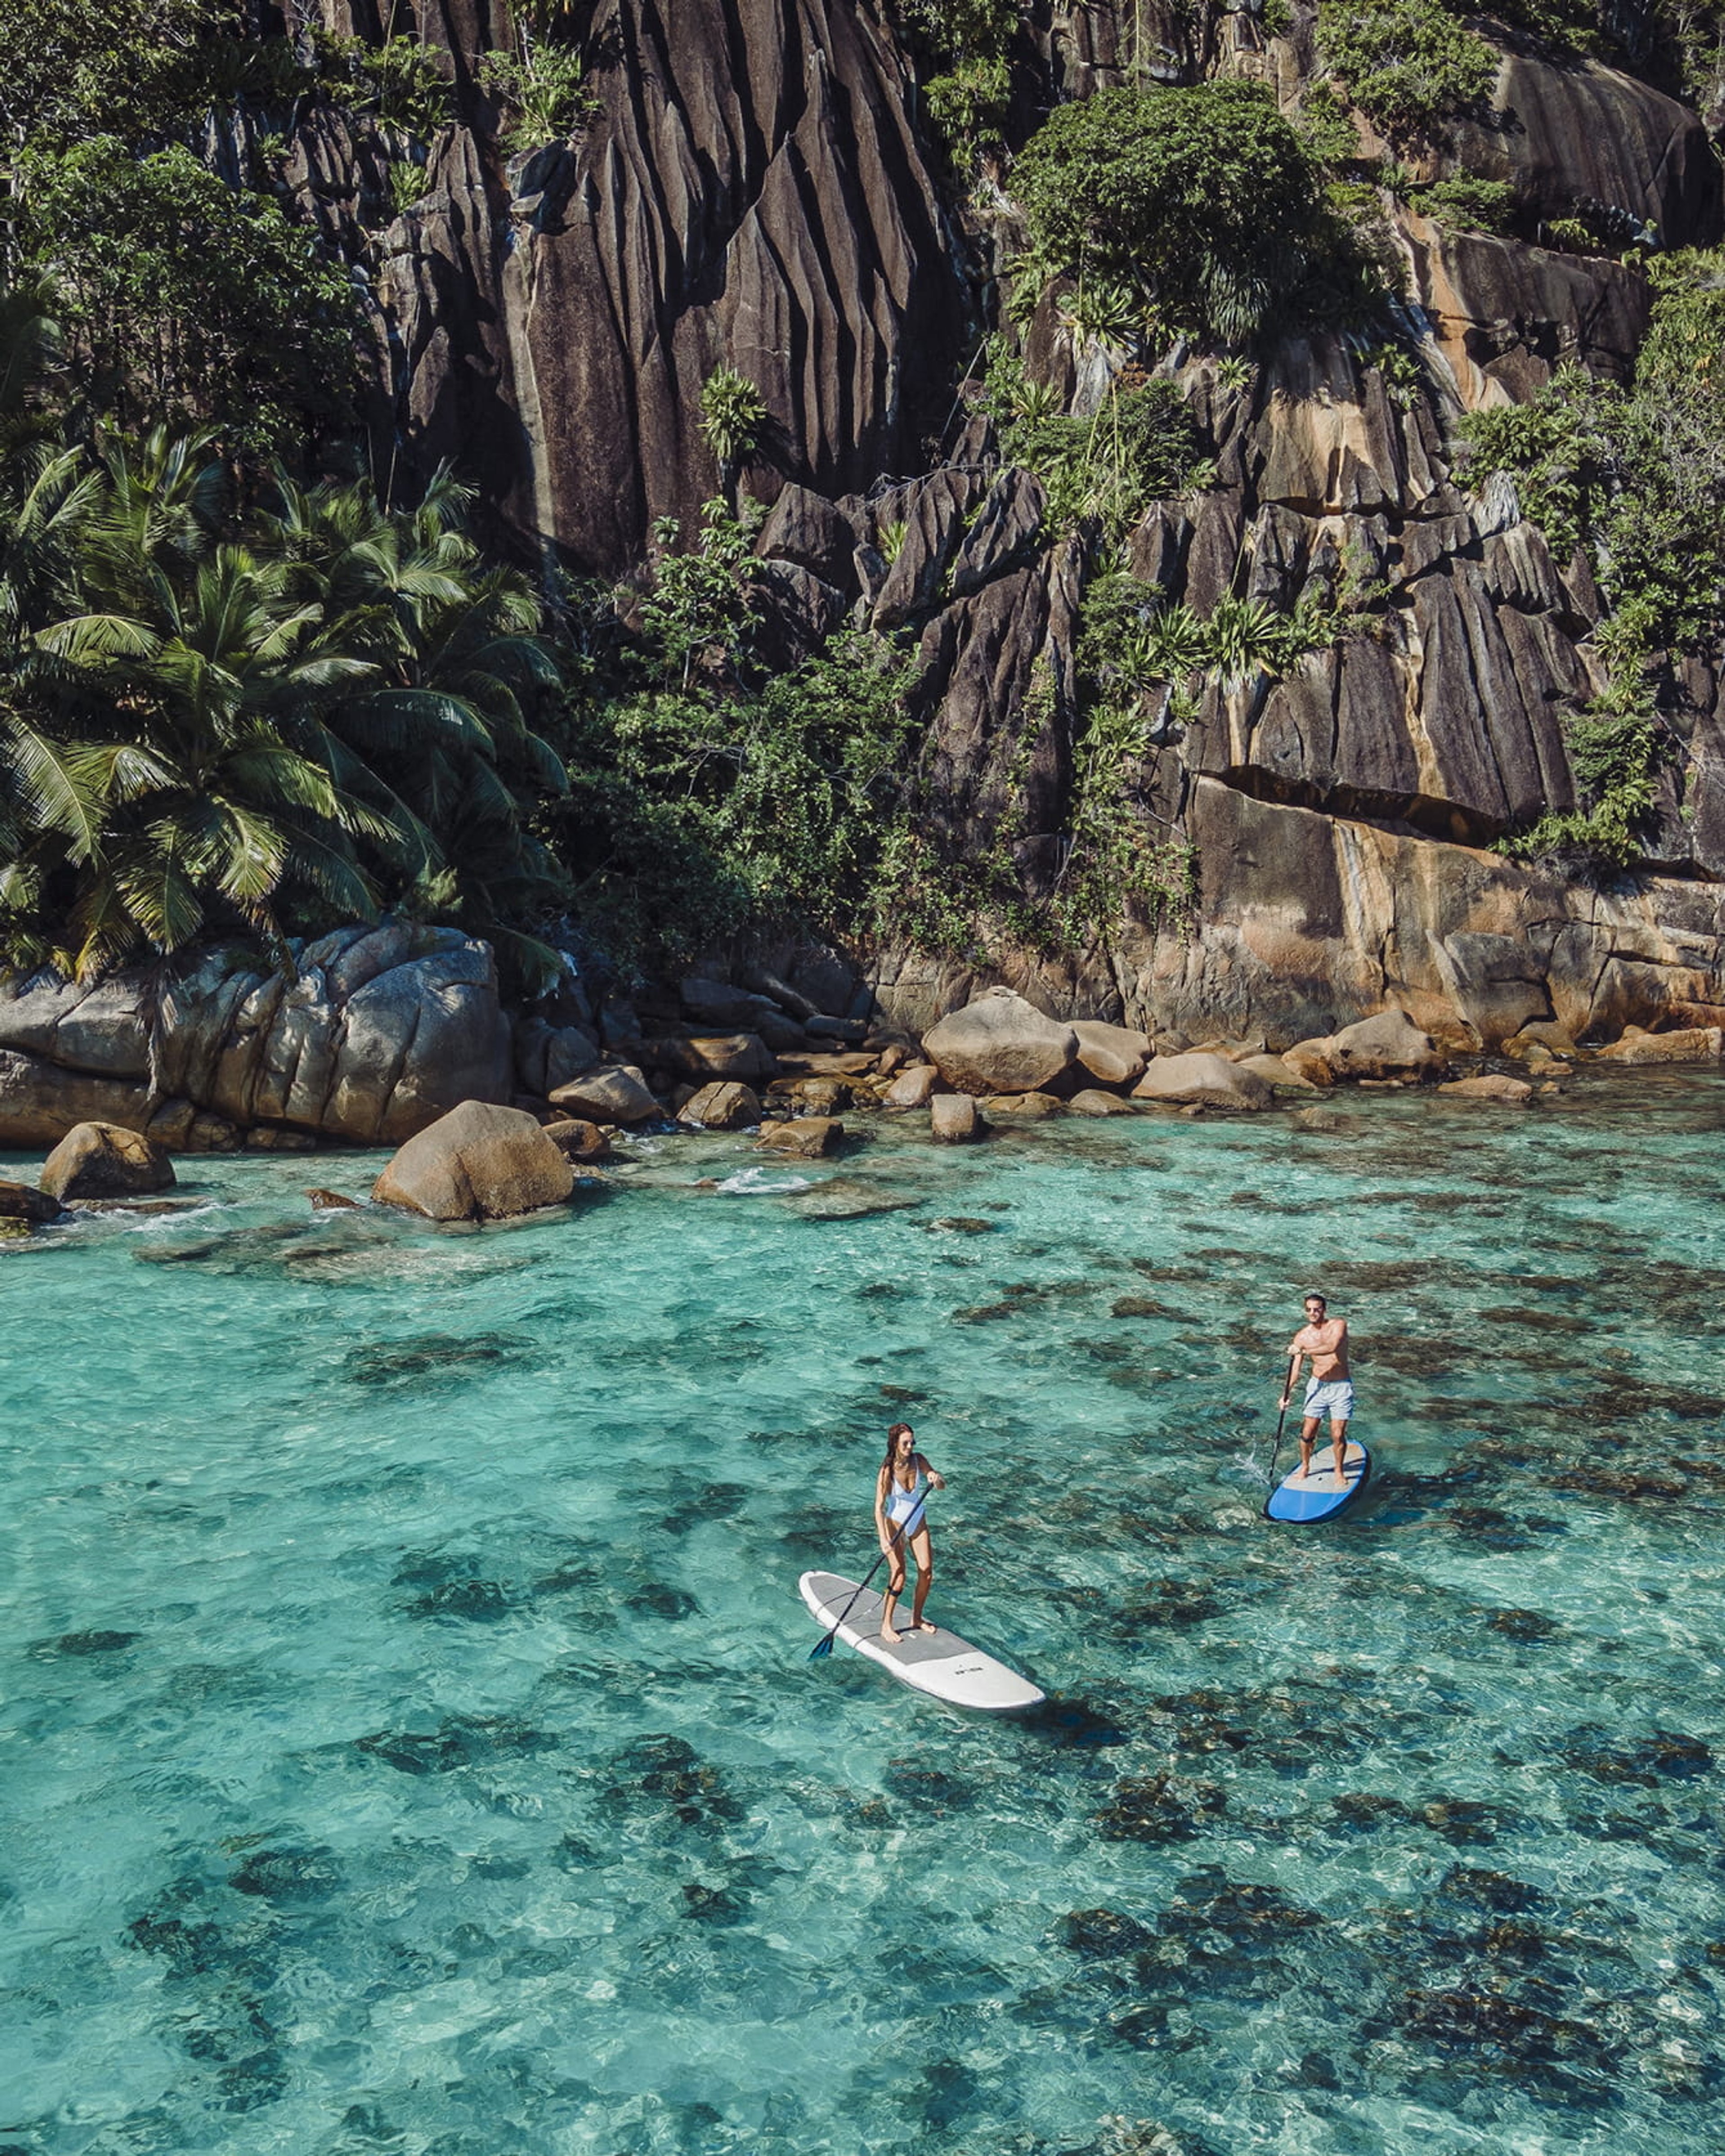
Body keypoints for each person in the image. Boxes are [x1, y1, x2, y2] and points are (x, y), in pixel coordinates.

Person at [875, 1422, 946, 1645]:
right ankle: (886, 1625)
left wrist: (936, 1477)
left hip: (917, 1520)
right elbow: (879, 1507)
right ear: (895, 1443)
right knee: (899, 1575)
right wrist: (883, 1539)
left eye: (912, 1442)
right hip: (895, 1523)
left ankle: (916, 1618)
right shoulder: (887, 1471)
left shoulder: (919, 1460)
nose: (910, 1446)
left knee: (926, 1572)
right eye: (905, 1443)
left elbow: (942, 1486)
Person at [1280, 1291, 1353, 1484]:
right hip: (1317, 1386)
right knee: (1307, 1433)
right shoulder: (1302, 1337)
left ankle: (1339, 1471)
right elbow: (1295, 1370)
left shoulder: (1338, 1325)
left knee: (1338, 1434)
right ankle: (1305, 1466)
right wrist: (1286, 1394)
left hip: (1341, 1386)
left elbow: (1332, 1347)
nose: (1313, 1313)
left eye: (1317, 1309)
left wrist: (1303, 1350)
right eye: (1309, 1310)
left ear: (1324, 1310)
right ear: (1306, 1312)